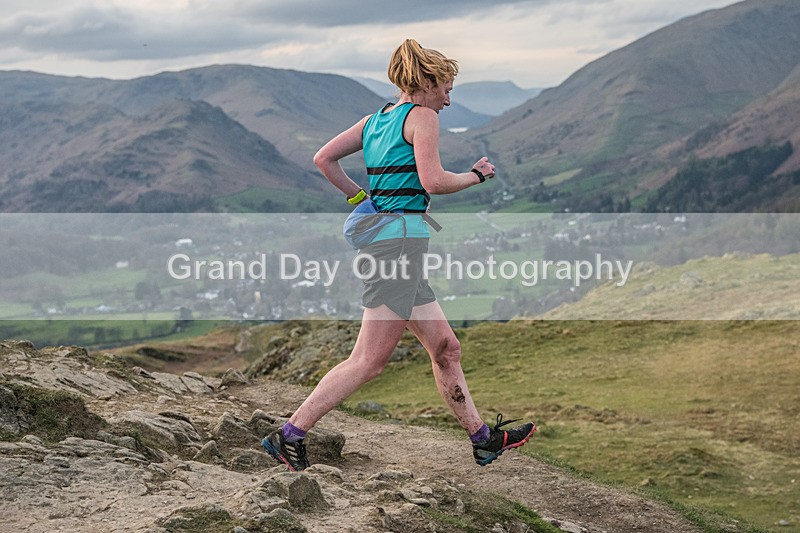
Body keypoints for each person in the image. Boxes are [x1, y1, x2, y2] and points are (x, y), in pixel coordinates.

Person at [262, 39, 535, 471]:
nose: (449, 99)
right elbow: (433, 182)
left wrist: (359, 197)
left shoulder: (375, 120)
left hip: (390, 244)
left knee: (446, 347)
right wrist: (476, 176)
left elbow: (323, 159)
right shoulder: (421, 117)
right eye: (446, 87)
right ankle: (289, 434)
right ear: (425, 83)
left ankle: (484, 439)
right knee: (368, 361)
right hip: (398, 251)